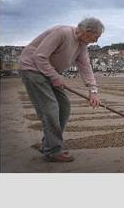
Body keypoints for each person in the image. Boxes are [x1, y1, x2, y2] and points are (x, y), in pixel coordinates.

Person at [19, 17, 104, 162]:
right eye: (96, 37)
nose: (96, 41)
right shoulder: (62, 33)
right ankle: (53, 150)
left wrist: (93, 91)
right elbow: (39, 57)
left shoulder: (82, 45)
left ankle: (49, 143)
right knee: (50, 109)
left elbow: (85, 67)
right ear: (88, 32)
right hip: (32, 69)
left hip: (51, 73)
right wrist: (55, 77)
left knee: (64, 107)